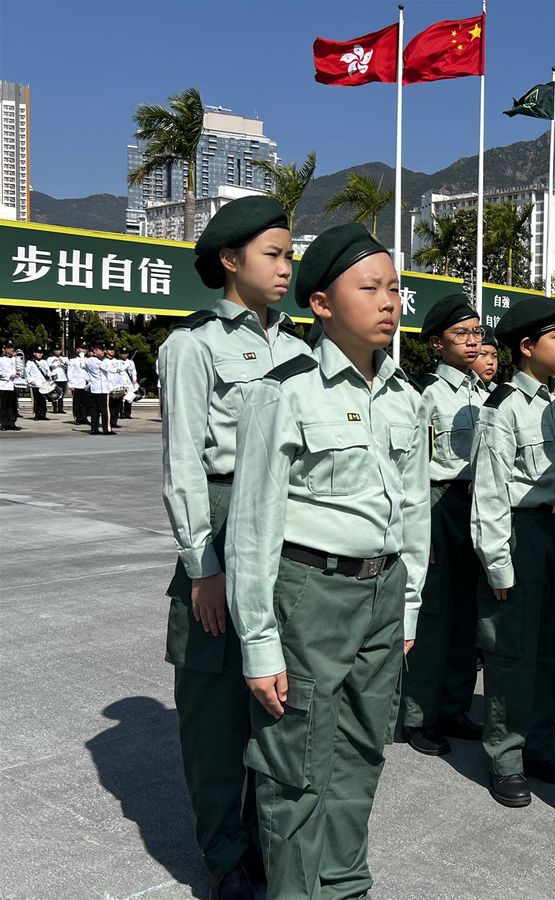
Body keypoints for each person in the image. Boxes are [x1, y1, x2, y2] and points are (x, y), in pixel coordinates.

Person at [226, 223, 429, 899]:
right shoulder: (284, 391)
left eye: (394, 288)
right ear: (320, 304)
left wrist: (408, 605)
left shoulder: (405, 396)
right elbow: (252, 527)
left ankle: (344, 884)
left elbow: (414, 513)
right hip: (310, 593)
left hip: (382, 592)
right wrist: (259, 644)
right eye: (369, 288)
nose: (388, 302)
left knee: (363, 750)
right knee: (295, 765)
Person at [157, 196, 310, 898]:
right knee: (216, 713)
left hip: (288, 526)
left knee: (276, 699)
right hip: (220, 518)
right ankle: (225, 856)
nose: (285, 269)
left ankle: (269, 840)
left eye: (289, 256)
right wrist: (204, 567)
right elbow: (183, 463)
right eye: (273, 255)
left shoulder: (301, 349)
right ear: (229, 259)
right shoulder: (193, 345)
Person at [469, 297, 555, 808]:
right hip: (524, 532)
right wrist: (497, 562)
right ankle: (506, 756)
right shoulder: (504, 408)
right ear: (527, 346)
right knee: (514, 651)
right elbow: (490, 492)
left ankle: (540, 744)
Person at [400, 294, 488, 756]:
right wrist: (419, 529)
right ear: (437, 343)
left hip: (476, 503)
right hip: (439, 502)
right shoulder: (426, 393)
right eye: (461, 334)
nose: (472, 342)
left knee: (466, 612)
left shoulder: (483, 392)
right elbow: (413, 465)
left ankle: (454, 705)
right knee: (433, 613)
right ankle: (419, 714)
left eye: (476, 332)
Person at [86, 344, 112, 435]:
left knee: (95, 410)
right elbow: (110, 369)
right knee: (105, 410)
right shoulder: (99, 361)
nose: (103, 352)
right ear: (95, 350)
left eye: (103, 350)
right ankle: (107, 429)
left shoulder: (88, 360)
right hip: (102, 389)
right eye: (101, 350)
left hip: (94, 388)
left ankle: (94, 429)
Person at [24, 346, 50, 420]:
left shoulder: (44, 362)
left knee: (43, 399)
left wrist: (50, 375)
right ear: (34, 353)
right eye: (38, 353)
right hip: (35, 384)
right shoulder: (30, 362)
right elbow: (26, 372)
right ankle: (37, 414)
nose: (39, 354)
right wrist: (30, 380)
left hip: (43, 383)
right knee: (36, 400)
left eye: (41, 353)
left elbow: (48, 371)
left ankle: (43, 414)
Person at [67, 345, 89, 424]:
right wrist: (71, 384)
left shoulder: (88, 360)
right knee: (77, 402)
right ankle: (78, 418)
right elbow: (70, 372)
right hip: (77, 384)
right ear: (77, 349)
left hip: (86, 384)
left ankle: (84, 417)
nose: (83, 350)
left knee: (85, 402)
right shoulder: (73, 360)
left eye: (85, 348)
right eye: (82, 348)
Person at [0, 341, 19, 430]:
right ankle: (3, 424)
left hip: (13, 385)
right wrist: (9, 376)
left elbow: (20, 369)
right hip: (3, 385)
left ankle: (12, 423)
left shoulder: (15, 359)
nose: (11, 349)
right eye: (9, 348)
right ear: (4, 349)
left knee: (13, 405)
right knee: (3, 406)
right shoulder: (1, 360)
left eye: (12, 347)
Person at [119, 347, 138, 418]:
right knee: (120, 398)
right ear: (120, 354)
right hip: (120, 382)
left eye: (126, 353)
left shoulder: (131, 362)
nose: (124, 355)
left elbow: (133, 371)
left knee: (129, 398)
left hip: (128, 382)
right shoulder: (117, 362)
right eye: (123, 353)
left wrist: (134, 379)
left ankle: (127, 413)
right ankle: (121, 413)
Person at [48, 347, 68, 414]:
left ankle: (60, 408)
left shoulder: (65, 358)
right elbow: (48, 366)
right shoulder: (50, 358)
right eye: (56, 350)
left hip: (63, 378)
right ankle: (55, 408)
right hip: (55, 378)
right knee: (54, 394)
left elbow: (68, 366)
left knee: (61, 395)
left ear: (61, 351)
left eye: (58, 350)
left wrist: (62, 362)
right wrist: (53, 362)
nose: (57, 352)